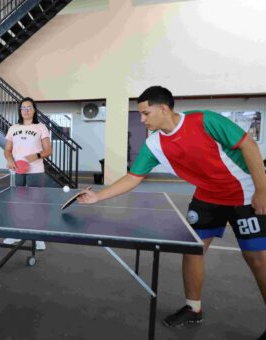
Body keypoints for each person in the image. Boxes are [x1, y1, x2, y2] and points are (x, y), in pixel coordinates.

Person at [78, 86, 266, 336]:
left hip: (243, 192)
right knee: (192, 250)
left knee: (257, 259)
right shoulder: (154, 144)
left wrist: (262, 189)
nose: (142, 119)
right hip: (206, 196)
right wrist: (98, 196)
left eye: (145, 113)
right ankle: (193, 308)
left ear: (163, 108)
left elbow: (249, 146)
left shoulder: (205, 120)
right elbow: (134, 177)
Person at [3, 97, 52, 250]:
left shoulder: (41, 127)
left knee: (35, 204)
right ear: (20, 110)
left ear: (34, 110)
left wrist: (36, 156)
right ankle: (17, 233)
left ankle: (38, 237)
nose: (26, 110)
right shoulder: (13, 128)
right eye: (23, 107)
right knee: (19, 204)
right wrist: (10, 160)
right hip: (19, 171)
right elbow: (7, 150)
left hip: (35, 171)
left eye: (29, 107)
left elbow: (48, 150)